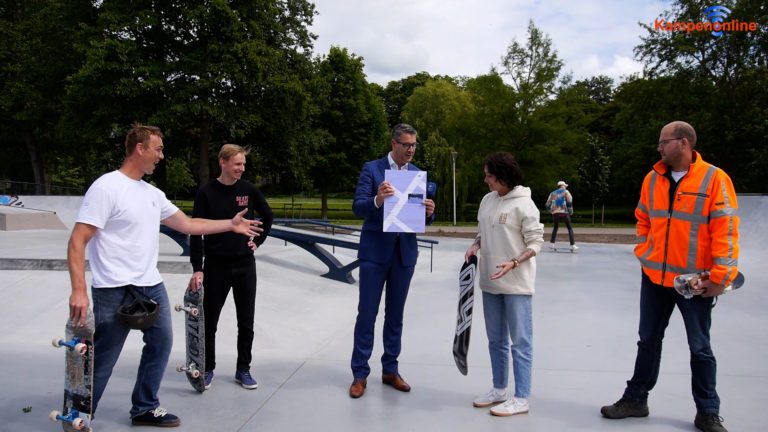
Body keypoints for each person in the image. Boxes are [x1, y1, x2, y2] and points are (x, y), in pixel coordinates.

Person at [67, 125, 262, 428]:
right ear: (140, 148)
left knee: (161, 342)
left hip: (150, 285)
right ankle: (80, 413)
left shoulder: (152, 194)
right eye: (157, 149)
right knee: (105, 354)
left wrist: (230, 225)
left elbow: (187, 224)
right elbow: (78, 239)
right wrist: (78, 289)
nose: (161, 155)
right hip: (114, 287)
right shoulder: (107, 187)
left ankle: (145, 407)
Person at [600, 121, 739, 432]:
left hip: (695, 283)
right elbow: (643, 218)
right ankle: (636, 399)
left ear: (684, 143)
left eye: (664, 142)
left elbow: (726, 231)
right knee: (648, 340)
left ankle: (707, 411)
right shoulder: (652, 178)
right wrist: (644, 252)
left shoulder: (715, 179)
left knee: (700, 347)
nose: (659, 148)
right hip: (654, 278)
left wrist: (720, 277)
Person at [348, 123, 435, 398]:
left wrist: (429, 212)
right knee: (367, 315)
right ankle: (360, 374)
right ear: (394, 143)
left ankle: (390, 370)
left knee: (395, 316)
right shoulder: (372, 169)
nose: (411, 150)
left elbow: (419, 217)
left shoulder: (417, 174)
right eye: (406, 145)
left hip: (404, 254)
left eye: (414, 145)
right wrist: (377, 199)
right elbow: (357, 207)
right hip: (374, 253)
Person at [464, 152, 544, 417]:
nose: (485, 180)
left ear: (503, 176)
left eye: (489, 175)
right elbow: (482, 232)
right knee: (495, 340)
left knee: (520, 342)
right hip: (489, 281)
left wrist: (514, 262)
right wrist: (475, 246)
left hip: (517, 284)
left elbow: (535, 242)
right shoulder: (488, 200)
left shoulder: (525, 205)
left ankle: (521, 397)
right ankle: (499, 389)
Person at [188, 144, 273, 390]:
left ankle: (243, 369)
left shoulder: (248, 190)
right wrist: (197, 267)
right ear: (222, 162)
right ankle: (208, 367)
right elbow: (195, 233)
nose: (241, 168)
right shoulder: (206, 193)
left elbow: (267, 216)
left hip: (245, 266)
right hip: (216, 266)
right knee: (209, 322)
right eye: (237, 164)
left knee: (246, 321)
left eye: (243, 164)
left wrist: (257, 241)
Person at [545, 180, 577, 251]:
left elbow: (547, 205)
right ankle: (573, 245)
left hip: (555, 212)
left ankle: (551, 244)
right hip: (564, 211)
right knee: (569, 228)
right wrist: (571, 211)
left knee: (555, 228)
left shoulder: (552, 193)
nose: (565, 187)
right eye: (565, 186)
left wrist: (551, 211)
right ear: (562, 186)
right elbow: (569, 202)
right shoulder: (566, 192)